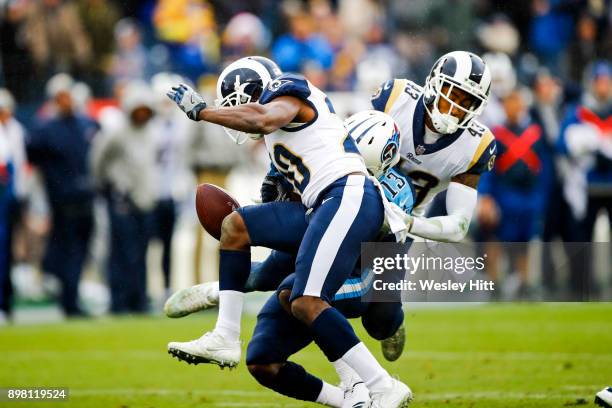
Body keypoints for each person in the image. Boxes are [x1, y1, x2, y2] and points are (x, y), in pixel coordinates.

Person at [167, 56, 413, 407]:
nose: (240, 114)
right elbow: (276, 211)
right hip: (322, 206)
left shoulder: (288, 89)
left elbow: (263, 117)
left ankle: (381, 386)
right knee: (235, 226)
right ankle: (225, 335)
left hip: (347, 195)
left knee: (305, 300)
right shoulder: (279, 148)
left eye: (242, 104)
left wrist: (203, 112)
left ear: (259, 89)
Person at [371, 51, 496, 243]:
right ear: (434, 85)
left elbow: (459, 225)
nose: (455, 109)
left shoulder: (477, 144)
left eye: (466, 104)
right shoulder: (397, 97)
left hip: (403, 230)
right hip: (362, 200)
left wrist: (409, 222)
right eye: (451, 96)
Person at [26, 74, 98, 317]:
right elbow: (33, 158)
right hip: (61, 201)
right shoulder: (45, 129)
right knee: (67, 251)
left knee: (80, 252)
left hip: (86, 198)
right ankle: (68, 299)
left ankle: (71, 297)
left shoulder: (87, 124)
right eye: (61, 96)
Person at [91, 81, 158, 314]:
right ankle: (118, 301)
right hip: (122, 199)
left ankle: (139, 299)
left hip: (145, 200)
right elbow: (97, 159)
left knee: (141, 253)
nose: (141, 114)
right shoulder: (117, 133)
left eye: (145, 110)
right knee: (120, 253)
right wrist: (106, 184)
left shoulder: (151, 133)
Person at [556, 61, 611, 299]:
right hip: (587, 188)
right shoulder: (579, 112)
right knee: (582, 242)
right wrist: (586, 145)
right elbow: (562, 143)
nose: (602, 86)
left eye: (606, 81)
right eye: (599, 81)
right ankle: (583, 290)